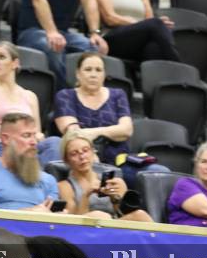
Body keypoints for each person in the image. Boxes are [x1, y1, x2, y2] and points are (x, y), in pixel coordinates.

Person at [54, 52, 166, 185]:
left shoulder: (117, 95)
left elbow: (126, 130)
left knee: (160, 172)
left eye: (98, 70)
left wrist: (93, 132)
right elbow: (73, 133)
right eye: (88, 69)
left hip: (120, 162)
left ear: (104, 74)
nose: (93, 74)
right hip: (85, 161)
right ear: (78, 73)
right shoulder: (65, 96)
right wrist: (109, 135)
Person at [16, 0, 109, 89]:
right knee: (54, 47)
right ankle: (62, 97)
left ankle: (85, 97)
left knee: (93, 49)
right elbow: (39, 0)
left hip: (63, 33)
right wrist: (51, 31)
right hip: (32, 32)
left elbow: (89, 0)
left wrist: (95, 33)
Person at [0, 41, 61, 164]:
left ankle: (44, 175)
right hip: (0, 145)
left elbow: (36, 132)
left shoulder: (30, 96)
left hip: (28, 146)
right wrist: (21, 133)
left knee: (55, 142)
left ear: (15, 63)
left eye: (1, 57)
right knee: (26, 157)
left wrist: (31, 136)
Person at [0, 112, 61, 211]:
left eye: (34, 136)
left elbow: (53, 219)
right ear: (6, 139)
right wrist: (31, 213)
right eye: (26, 135)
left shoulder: (48, 180)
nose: (34, 142)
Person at [57, 130, 151, 221]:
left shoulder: (109, 179)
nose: (82, 157)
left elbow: (121, 216)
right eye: (74, 154)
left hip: (113, 224)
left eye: (85, 150)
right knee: (97, 215)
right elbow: (73, 223)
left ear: (93, 152)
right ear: (66, 160)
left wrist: (116, 199)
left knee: (140, 215)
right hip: (87, 227)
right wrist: (86, 195)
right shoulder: (64, 186)